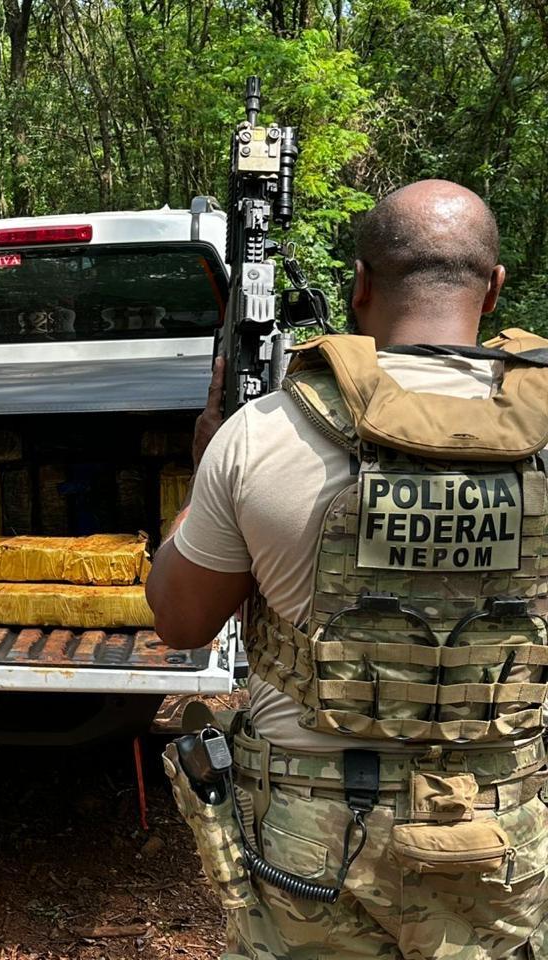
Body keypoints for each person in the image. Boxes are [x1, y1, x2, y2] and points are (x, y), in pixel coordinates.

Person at [146, 179, 548, 959]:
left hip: (312, 827)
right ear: (493, 289)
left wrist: (199, 487)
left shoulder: (263, 433)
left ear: (360, 285)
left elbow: (181, 621)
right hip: (500, 821)